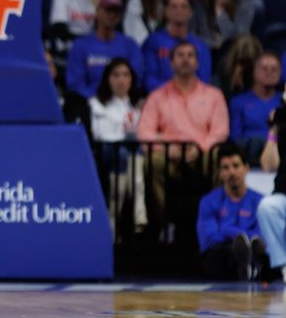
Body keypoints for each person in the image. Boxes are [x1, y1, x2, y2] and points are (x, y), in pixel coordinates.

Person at [138, 41, 230, 240]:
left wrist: (200, 148)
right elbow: (145, 132)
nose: (186, 59)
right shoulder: (157, 96)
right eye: (180, 55)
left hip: (201, 155)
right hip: (169, 156)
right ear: (171, 63)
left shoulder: (214, 95)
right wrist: (165, 147)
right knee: (153, 161)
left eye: (190, 55)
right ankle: (164, 224)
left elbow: (220, 131)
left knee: (217, 156)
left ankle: (213, 221)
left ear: (197, 63)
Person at [89, 58, 147, 235]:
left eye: (125, 75)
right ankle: (133, 214)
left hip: (130, 152)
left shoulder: (137, 105)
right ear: (108, 79)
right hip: (107, 151)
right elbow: (100, 134)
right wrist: (124, 131)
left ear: (132, 79)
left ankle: (123, 219)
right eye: (116, 75)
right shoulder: (96, 103)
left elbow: (141, 133)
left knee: (135, 155)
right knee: (123, 154)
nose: (121, 80)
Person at [197, 142, 267, 280]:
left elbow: (262, 237)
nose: (232, 172)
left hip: (252, 250)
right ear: (219, 172)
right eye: (226, 168)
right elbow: (209, 239)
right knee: (222, 252)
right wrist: (240, 240)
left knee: (258, 249)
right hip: (221, 256)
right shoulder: (208, 201)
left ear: (246, 168)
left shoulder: (261, 201)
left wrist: (227, 229)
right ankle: (245, 265)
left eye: (236, 166)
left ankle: (248, 264)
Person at [66, 0, 144, 99]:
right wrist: (99, 98)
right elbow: (75, 83)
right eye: (108, 10)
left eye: (116, 11)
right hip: (90, 103)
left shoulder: (130, 45)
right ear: (97, 12)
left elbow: (136, 79)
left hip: (122, 102)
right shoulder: (81, 45)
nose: (112, 15)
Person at [142, 0, 212, 91]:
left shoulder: (201, 46)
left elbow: (204, 81)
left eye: (184, 6)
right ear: (166, 11)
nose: (179, 10)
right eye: (174, 6)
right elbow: (149, 79)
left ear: (191, 12)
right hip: (161, 99)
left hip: (193, 100)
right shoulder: (153, 42)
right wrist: (174, 93)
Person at [230, 52, 282, 164]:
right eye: (264, 68)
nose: (269, 72)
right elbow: (235, 137)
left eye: (274, 69)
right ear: (254, 71)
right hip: (248, 155)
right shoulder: (238, 101)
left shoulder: (283, 101)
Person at [190, 0, 256, 54]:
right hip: (204, 51)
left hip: (234, 54)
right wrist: (212, 43)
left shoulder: (244, 6)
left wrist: (219, 9)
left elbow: (238, 39)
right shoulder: (199, 5)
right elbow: (190, 34)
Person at [258, 88, 286, 283]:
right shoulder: (282, 124)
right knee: (267, 207)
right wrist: (274, 129)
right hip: (284, 194)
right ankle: (284, 264)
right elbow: (268, 165)